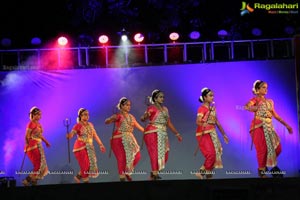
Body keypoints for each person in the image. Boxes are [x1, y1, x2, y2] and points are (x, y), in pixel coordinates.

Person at [245, 80, 293, 178]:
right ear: (257, 90)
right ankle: (262, 173)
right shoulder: (255, 100)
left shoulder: (270, 102)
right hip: (257, 127)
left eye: (266, 87)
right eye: (263, 87)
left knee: (278, 148)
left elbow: (276, 115)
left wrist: (286, 125)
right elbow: (246, 107)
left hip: (269, 127)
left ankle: (266, 164)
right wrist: (254, 108)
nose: (266, 89)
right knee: (262, 149)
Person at [141, 89, 183, 180]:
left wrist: (177, 134)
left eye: (163, 97)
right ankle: (155, 174)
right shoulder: (151, 108)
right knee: (154, 153)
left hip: (163, 133)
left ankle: (153, 174)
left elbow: (169, 123)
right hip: (152, 132)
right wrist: (144, 117)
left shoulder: (165, 109)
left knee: (165, 154)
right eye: (160, 97)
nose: (162, 98)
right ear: (155, 99)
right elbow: (144, 118)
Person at [105, 97, 144, 182]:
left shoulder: (131, 117)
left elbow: (138, 126)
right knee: (121, 159)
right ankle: (122, 179)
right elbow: (107, 122)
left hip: (129, 139)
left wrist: (147, 132)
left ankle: (127, 171)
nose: (129, 107)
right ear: (121, 106)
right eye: (127, 105)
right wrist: (111, 119)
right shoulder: (118, 116)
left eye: (130, 105)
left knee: (137, 156)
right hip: (118, 140)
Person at [194, 87, 229, 179]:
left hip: (212, 132)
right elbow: (197, 121)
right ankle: (201, 172)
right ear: (205, 97)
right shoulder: (202, 109)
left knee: (218, 152)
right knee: (211, 154)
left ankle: (208, 174)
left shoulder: (213, 109)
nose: (212, 97)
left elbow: (217, 122)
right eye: (210, 95)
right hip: (203, 133)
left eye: (213, 95)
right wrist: (203, 123)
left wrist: (224, 134)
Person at [67, 108, 106, 183]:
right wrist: (69, 135)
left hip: (89, 147)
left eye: (88, 114)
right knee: (86, 166)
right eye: (85, 114)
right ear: (80, 116)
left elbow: (95, 135)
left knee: (90, 165)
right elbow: (72, 134)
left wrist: (101, 145)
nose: (87, 116)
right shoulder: (77, 125)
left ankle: (77, 177)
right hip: (80, 148)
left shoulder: (90, 125)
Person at [22, 106, 50, 186]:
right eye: (37, 114)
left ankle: (34, 182)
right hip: (32, 146)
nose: (39, 116)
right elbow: (26, 135)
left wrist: (46, 142)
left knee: (40, 164)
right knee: (39, 165)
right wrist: (27, 144)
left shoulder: (38, 124)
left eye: (40, 114)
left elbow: (40, 135)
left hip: (38, 145)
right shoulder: (31, 123)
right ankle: (27, 181)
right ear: (32, 115)